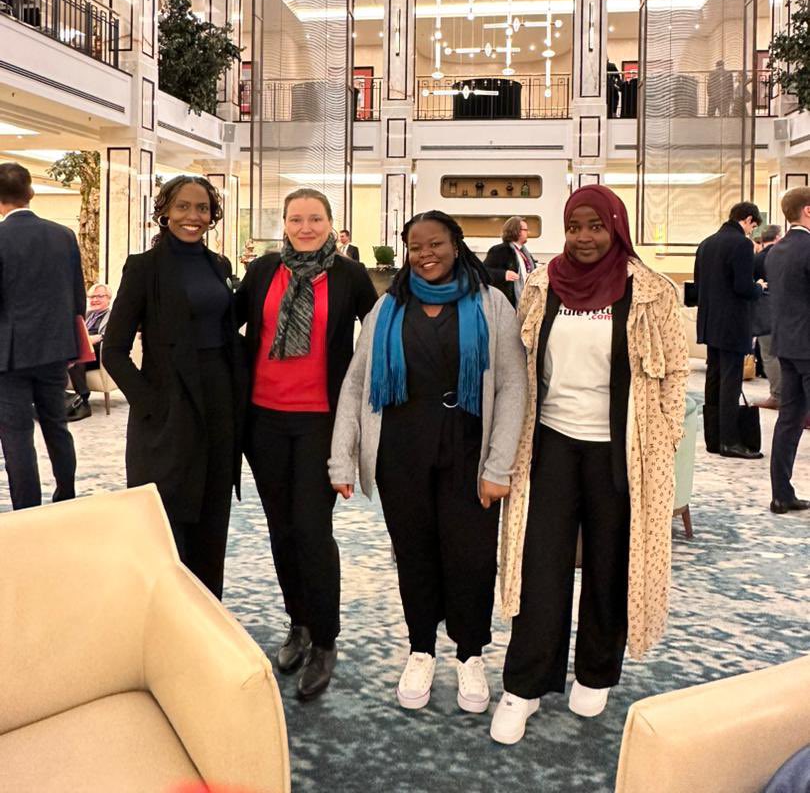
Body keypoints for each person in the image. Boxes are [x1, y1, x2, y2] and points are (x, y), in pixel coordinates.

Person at [490, 186, 689, 745]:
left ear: (616, 227)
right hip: (551, 444)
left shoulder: (650, 291)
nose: (583, 237)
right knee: (540, 565)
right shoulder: (541, 284)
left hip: (623, 452)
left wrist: (666, 435)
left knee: (611, 562)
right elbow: (519, 362)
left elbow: (676, 369)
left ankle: (597, 670)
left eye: (595, 226)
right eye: (574, 226)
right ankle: (525, 685)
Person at [330, 210, 527, 715]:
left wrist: (499, 466)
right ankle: (420, 649)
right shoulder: (388, 307)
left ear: (456, 244)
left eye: (435, 243)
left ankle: (469, 654)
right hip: (401, 451)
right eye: (416, 247)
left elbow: (512, 387)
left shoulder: (492, 304)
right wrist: (341, 459)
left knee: (472, 559)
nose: (426, 254)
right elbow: (356, 384)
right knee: (414, 554)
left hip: (469, 451)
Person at [235, 188, 377, 701]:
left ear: (331, 223)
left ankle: (325, 638)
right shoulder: (261, 272)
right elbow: (227, 328)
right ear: (285, 223)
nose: (306, 227)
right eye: (296, 219)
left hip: (321, 421)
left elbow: (379, 333)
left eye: (315, 218)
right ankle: (298, 622)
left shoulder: (350, 275)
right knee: (282, 530)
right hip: (264, 421)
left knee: (313, 531)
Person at [103, 176, 246, 599]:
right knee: (166, 519)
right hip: (168, 406)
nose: (193, 217)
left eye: (202, 208)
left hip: (218, 401)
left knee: (212, 516)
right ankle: (166, 616)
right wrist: (152, 404)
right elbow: (113, 350)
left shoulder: (218, 265)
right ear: (165, 211)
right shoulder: (144, 267)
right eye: (183, 206)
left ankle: (206, 614)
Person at [0, 163, 85, 510]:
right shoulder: (63, 235)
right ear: (31, 193)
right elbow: (78, 298)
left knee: (17, 435)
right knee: (57, 426)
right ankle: (66, 495)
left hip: (9, 354)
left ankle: (27, 509)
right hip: (55, 348)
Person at [694, 201, 764, 459]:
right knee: (730, 381)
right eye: (753, 227)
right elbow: (743, 287)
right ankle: (730, 441)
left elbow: (698, 285)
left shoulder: (707, 243)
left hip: (710, 321)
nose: (751, 232)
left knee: (714, 377)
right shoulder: (741, 244)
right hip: (732, 323)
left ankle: (713, 438)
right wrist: (759, 287)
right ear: (748, 220)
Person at [764, 187, 810, 515]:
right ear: (808, 211)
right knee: (791, 420)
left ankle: (781, 494)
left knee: (789, 421)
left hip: (786, 344)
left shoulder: (776, 251)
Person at [66, 283, 113, 421]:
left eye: (100, 296)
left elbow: (111, 335)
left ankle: (83, 401)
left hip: (99, 353)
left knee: (76, 358)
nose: (95, 300)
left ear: (108, 299)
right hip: (83, 348)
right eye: (92, 297)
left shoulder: (113, 315)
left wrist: (96, 338)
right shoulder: (87, 315)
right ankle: (61, 399)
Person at [752, 224, 782, 410]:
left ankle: (777, 395)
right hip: (788, 312)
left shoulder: (757, 259)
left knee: (769, 355)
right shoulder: (784, 255)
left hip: (765, 312)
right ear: (777, 237)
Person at [483, 216, 536, 308]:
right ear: (516, 231)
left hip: (525, 301)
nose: (528, 232)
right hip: (507, 303)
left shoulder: (525, 253)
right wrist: (504, 274)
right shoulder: (499, 250)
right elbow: (483, 272)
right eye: (525, 230)